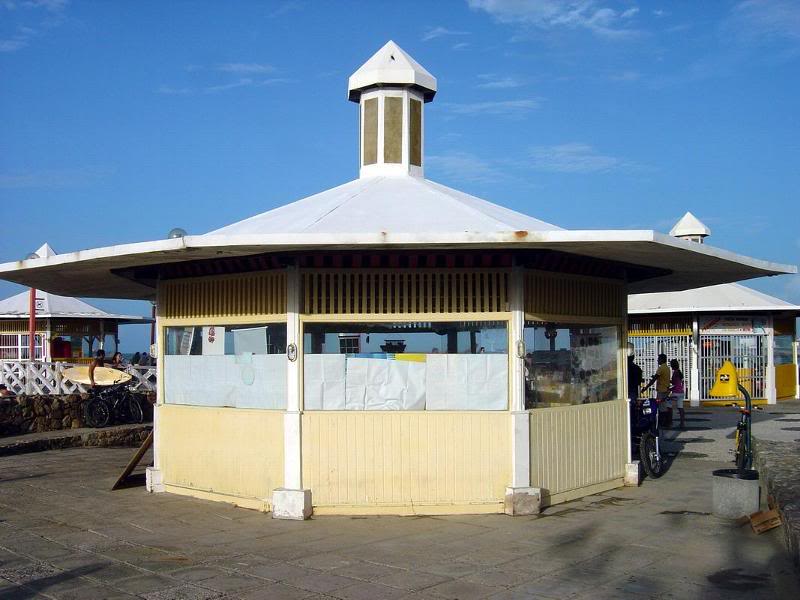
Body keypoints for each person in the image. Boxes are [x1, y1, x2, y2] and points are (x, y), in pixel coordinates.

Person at [668, 359, 686, 429]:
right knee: (680, 408)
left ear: (673, 365)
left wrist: (669, 388)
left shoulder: (675, 373)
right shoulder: (679, 372)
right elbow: (678, 383)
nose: (670, 366)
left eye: (671, 365)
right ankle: (682, 423)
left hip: (676, 393)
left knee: (668, 404)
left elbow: (674, 383)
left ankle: (670, 422)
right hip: (681, 392)